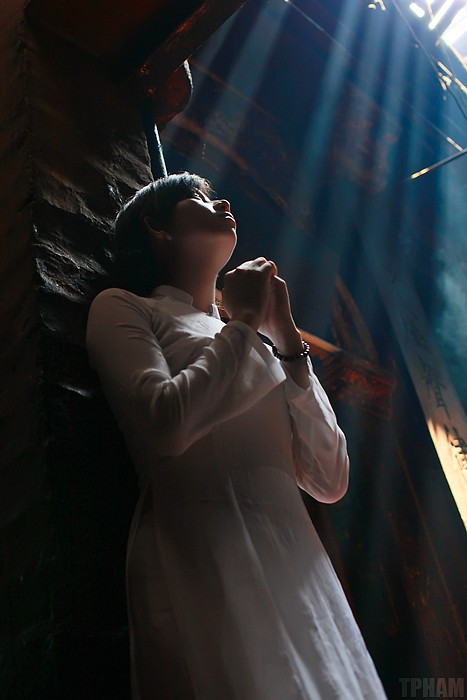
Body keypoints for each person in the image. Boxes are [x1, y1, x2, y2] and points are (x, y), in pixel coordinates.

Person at [86, 173, 387, 700]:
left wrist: (287, 339)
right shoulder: (127, 308)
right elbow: (163, 422)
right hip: (205, 541)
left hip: (296, 557)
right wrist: (245, 321)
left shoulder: (254, 343)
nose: (221, 201)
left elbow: (329, 477)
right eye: (198, 199)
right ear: (157, 227)